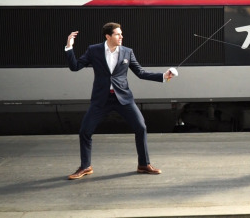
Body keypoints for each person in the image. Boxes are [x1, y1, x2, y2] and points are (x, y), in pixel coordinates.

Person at [64, 22, 176, 180]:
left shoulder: (127, 52)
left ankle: (143, 164)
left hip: (123, 98)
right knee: (85, 131)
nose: (121, 36)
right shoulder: (94, 50)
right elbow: (74, 67)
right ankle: (85, 166)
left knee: (140, 127)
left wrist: (163, 77)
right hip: (101, 99)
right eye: (117, 34)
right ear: (108, 36)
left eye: (121, 34)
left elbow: (140, 72)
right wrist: (69, 47)